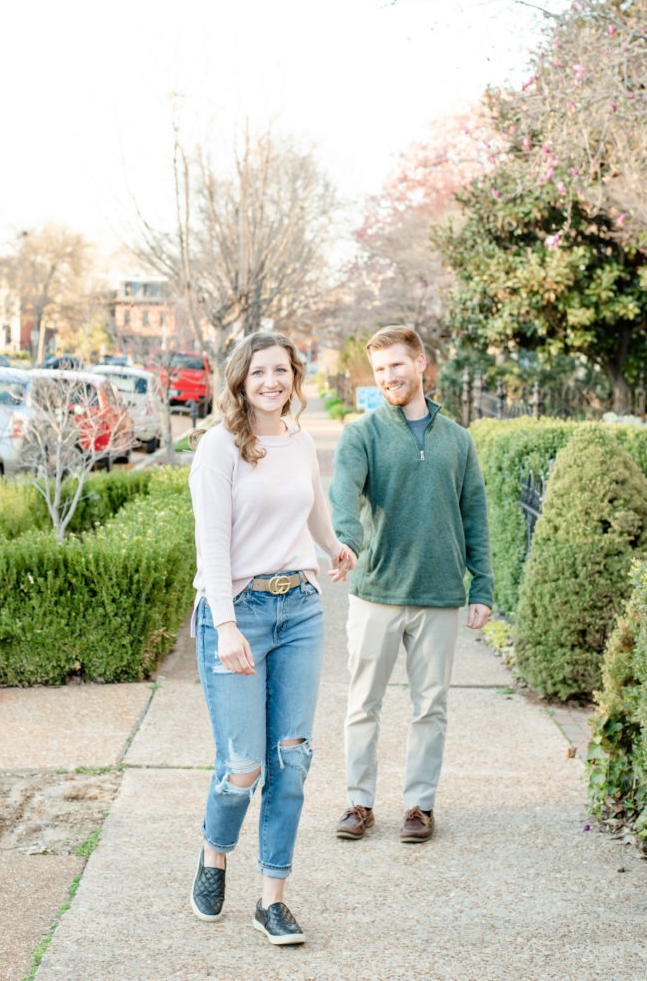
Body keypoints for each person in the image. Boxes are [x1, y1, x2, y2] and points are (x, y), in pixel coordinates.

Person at [188, 330, 353, 946]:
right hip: (239, 612)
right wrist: (227, 624)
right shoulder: (220, 447)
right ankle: (213, 854)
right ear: (241, 379)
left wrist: (334, 545)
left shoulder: (301, 441)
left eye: (280, 371)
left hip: (303, 609)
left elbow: (311, 508)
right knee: (242, 766)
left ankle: (272, 899)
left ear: (294, 377)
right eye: (259, 372)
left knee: (293, 759)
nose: (271, 382)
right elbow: (213, 542)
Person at [329, 324, 493, 844]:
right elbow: (343, 497)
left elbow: (475, 516)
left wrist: (483, 586)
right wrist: (347, 542)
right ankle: (359, 803)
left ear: (421, 363)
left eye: (397, 365)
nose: (389, 377)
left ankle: (419, 806)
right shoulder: (362, 435)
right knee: (363, 704)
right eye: (379, 370)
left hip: (439, 594)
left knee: (430, 707)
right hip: (377, 591)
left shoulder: (458, 440)